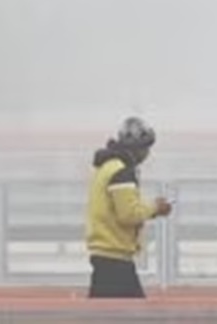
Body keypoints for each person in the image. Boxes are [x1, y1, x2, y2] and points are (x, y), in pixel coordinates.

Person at [85, 116, 172, 298]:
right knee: (134, 313)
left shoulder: (107, 167)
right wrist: (155, 208)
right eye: (147, 147)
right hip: (115, 257)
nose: (148, 154)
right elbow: (128, 214)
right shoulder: (122, 172)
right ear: (138, 148)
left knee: (103, 314)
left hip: (105, 255)